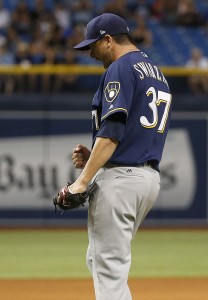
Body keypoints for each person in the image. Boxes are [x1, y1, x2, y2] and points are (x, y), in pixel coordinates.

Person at [57, 13, 172, 300]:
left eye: (93, 46)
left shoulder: (121, 67)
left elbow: (112, 133)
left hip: (121, 180)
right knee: (102, 261)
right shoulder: (156, 73)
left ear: (108, 40)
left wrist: (81, 182)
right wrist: (96, 155)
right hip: (147, 179)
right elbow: (129, 133)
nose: (91, 54)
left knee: (108, 271)